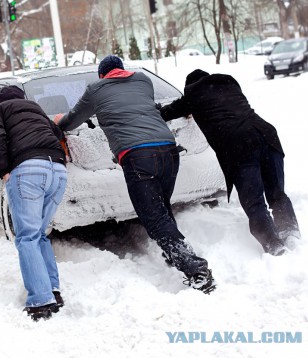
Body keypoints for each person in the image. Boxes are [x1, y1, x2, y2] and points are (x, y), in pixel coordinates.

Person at [54, 55, 215, 294]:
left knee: (154, 218)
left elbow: (72, 119)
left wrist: (58, 123)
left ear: (102, 75)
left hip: (138, 157)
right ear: (122, 70)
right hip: (169, 152)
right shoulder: (143, 80)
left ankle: (194, 268)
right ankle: (175, 253)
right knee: (161, 207)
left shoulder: (96, 89)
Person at [160, 69, 300, 254]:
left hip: (240, 145)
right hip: (267, 135)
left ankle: (273, 244)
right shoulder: (229, 82)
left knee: (254, 201)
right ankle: (289, 231)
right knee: (276, 192)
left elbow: (167, 112)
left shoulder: (193, 95)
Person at [0, 85, 68, 321]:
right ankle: (53, 291)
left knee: (27, 236)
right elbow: (57, 134)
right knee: (39, 234)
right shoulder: (36, 110)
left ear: (0, 100)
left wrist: (3, 169)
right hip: (58, 170)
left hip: (29, 171)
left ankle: (40, 300)